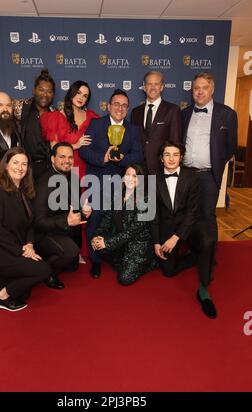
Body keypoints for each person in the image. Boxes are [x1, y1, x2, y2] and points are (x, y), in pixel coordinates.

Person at [0, 147, 52, 311]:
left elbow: (31, 223)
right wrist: (21, 250)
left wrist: (30, 244)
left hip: (17, 248)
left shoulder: (25, 191)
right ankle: (0, 298)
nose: (20, 167)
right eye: (15, 162)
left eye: (24, 164)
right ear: (6, 165)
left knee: (25, 292)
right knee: (43, 270)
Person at [79, 89, 143, 278]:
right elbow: (84, 150)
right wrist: (103, 158)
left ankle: (115, 254)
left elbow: (139, 155)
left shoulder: (133, 129)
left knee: (117, 221)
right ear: (109, 106)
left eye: (124, 105)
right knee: (95, 220)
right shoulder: (96, 124)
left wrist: (122, 159)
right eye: (116, 104)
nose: (120, 108)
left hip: (120, 184)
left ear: (127, 108)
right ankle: (96, 261)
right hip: (96, 181)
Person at [152, 141, 217, 319]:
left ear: (181, 157)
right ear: (161, 158)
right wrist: (157, 241)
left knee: (207, 240)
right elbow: (154, 215)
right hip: (167, 225)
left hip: (191, 224)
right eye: (167, 154)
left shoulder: (192, 177)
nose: (171, 158)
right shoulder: (153, 180)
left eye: (175, 154)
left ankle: (204, 290)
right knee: (168, 271)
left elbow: (193, 211)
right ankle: (197, 257)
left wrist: (176, 238)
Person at [0, 69, 56, 180]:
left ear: (53, 94)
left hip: (47, 167)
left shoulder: (55, 113)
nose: (45, 94)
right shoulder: (21, 107)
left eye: (49, 91)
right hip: (24, 168)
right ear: (34, 90)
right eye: (41, 90)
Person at [182, 72, 238, 242]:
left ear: (212, 89)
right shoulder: (184, 113)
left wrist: (215, 163)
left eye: (204, 88)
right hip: (185, 174)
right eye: (196, 88)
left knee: (207, 216)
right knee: (187, 215)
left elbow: (230, 147)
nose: (200, 91)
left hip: (209, 175)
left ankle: (208, 259)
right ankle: (192, 251)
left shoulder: (227, 114)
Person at [33, 142, 92, 289]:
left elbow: (74, 207)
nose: (67, 161)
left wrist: (84, 212)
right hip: (44, 233)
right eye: (62, 157)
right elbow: (38, 221)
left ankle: (52, 256)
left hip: (63, 229)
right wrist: (66, 220)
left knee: (72, 267)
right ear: (52, 159)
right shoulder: (43, 183)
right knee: (70, 252)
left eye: (70, 157)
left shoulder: (73, 176)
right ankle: (46, 272)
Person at [91, 164, 158, 285]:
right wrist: (97, 235)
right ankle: (124, 260)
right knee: (99, 246)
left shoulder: (146, 199)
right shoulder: (118, 194)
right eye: (127, 174)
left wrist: (107, 243)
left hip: (137, 244)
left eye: (135, 176)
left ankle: (150, 262)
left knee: (124, 279)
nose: (130, 178)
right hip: (121, 239)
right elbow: (107, 217)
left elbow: (132, 231)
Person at [40, 80, 99, 179]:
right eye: (79, 93)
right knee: (70, 194)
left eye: (85, 96)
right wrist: (76, 145)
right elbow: (54, 148)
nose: (81, 98)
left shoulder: (92, 117)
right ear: (72, 93)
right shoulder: (55, 117)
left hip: (88, 168)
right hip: (66, 168)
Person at [131, 71, 181, 174]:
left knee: (157, 191)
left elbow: (175, 142)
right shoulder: (136, 112)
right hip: (139, 169)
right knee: (141, 191)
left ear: (162, 87)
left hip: (161, 169)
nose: (152, 87)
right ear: (144, 87)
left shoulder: (172, 110)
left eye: (156, 84)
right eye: (149, 84)